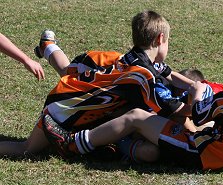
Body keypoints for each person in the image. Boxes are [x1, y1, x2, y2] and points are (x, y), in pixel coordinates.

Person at [43, 46, 223, 170]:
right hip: (222, 155)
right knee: (150, 143)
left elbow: (194, 115)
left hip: (198, 153)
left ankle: (73, 143)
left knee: (136, 117)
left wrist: (197, 94)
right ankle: (116, 144)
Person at [0, 10, 204, 162]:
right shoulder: (143, 77)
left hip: (68, 94)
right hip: (65, 112)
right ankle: (74, 142)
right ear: (160, 39)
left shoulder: (135, 58)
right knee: (26, 149)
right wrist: (198, 104)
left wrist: (195, 84)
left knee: (67, 71)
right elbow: (173, 110)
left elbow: (167, 72)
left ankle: (48, 47)